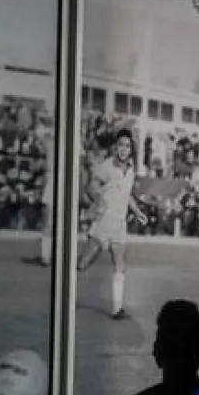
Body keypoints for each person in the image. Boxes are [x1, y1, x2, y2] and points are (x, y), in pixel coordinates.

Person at [76, 128, 138, 319]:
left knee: (120, 263)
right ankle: (65, 288)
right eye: (120, 145)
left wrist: (137, 211)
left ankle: (117, 308)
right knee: (84, 262)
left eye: (127, 146)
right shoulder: (106, 166)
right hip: (105, 220)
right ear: (115, 146)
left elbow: (127, 195)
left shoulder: (131, 169)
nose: (123, 149)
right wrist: (99, 201)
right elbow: (91, 186)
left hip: (120, 223)